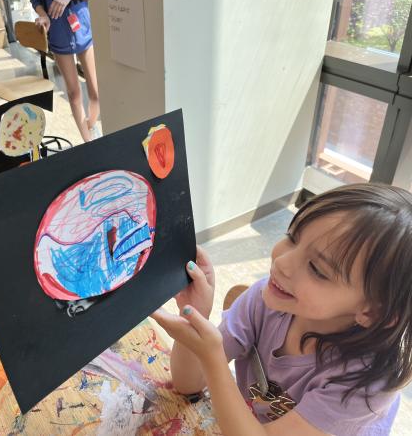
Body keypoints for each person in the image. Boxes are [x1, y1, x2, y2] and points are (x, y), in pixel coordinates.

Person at [152, 183, 412, 435]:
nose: (282, 262)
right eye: (292, 237)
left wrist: (212, 357)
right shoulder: (264, 302)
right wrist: (196, 319)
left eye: (317, 269)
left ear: (372, 312)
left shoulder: (368, 386)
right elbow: (188, 384)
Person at [28, 0, 100, 142]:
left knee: (96, 93)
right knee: (74, 94)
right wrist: (43, 15)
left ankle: (90, 125)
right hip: (58, 33)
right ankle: (88, 142)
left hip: (84, 30)